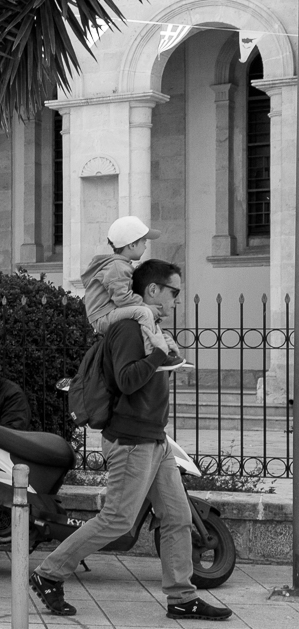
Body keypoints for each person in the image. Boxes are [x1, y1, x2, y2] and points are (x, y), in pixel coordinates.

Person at [29, 260, 231, 621]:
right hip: (131, 439)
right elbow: (125, 380)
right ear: (152, 290)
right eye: (173, 292)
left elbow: (155, 368)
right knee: (118, 519)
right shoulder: (126, 327)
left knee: (176, 517)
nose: (175, 301)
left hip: (155, 439)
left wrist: (165, 354)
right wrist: (156, 355)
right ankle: (49, 573)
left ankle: (182, 597)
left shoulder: (148, 324)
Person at [82, 216, 186, 372]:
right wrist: (145, 306)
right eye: (143, 241)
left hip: (106, 313)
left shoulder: (120, 265)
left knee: (146, 313)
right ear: (131, 244)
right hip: (103, 316)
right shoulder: (118, 267)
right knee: (144, 312)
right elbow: (122, 298)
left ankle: (164, 350)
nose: (145, 245)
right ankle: (153, 353)